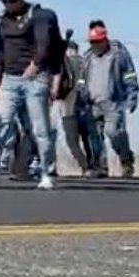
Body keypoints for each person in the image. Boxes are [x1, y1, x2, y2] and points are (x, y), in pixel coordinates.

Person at [0, 0, 64, 190]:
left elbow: (45, 43)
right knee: (0, 123)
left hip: (34, 77)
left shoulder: (38, 16)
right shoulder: (2, 21)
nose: (8, 5)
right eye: (5, 1)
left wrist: (36, 65)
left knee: (39, 128)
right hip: (9, 79)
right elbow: (0, 51)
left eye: (12, 1)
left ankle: (47, 172)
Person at [80, 20, 139, 179]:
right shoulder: (87, 57)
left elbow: (130, 75)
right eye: (92, 42)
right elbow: (81, 80)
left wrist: (132, 96)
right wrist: (82, 94)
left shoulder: (118, 54)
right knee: (95, 138)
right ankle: (101, 166)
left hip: (113, 102)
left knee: (113, 132)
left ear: (105, 40)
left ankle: (126, 160)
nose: (95, 45)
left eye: (98, 42)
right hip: (92, 104)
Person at [56, 37, 94, 176]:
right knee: (89, 139)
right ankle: (95, 165)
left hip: (68, 106)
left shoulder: (63, 61)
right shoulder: (87, 61)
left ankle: (84, 166)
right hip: (87, 106)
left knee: (72, 141)